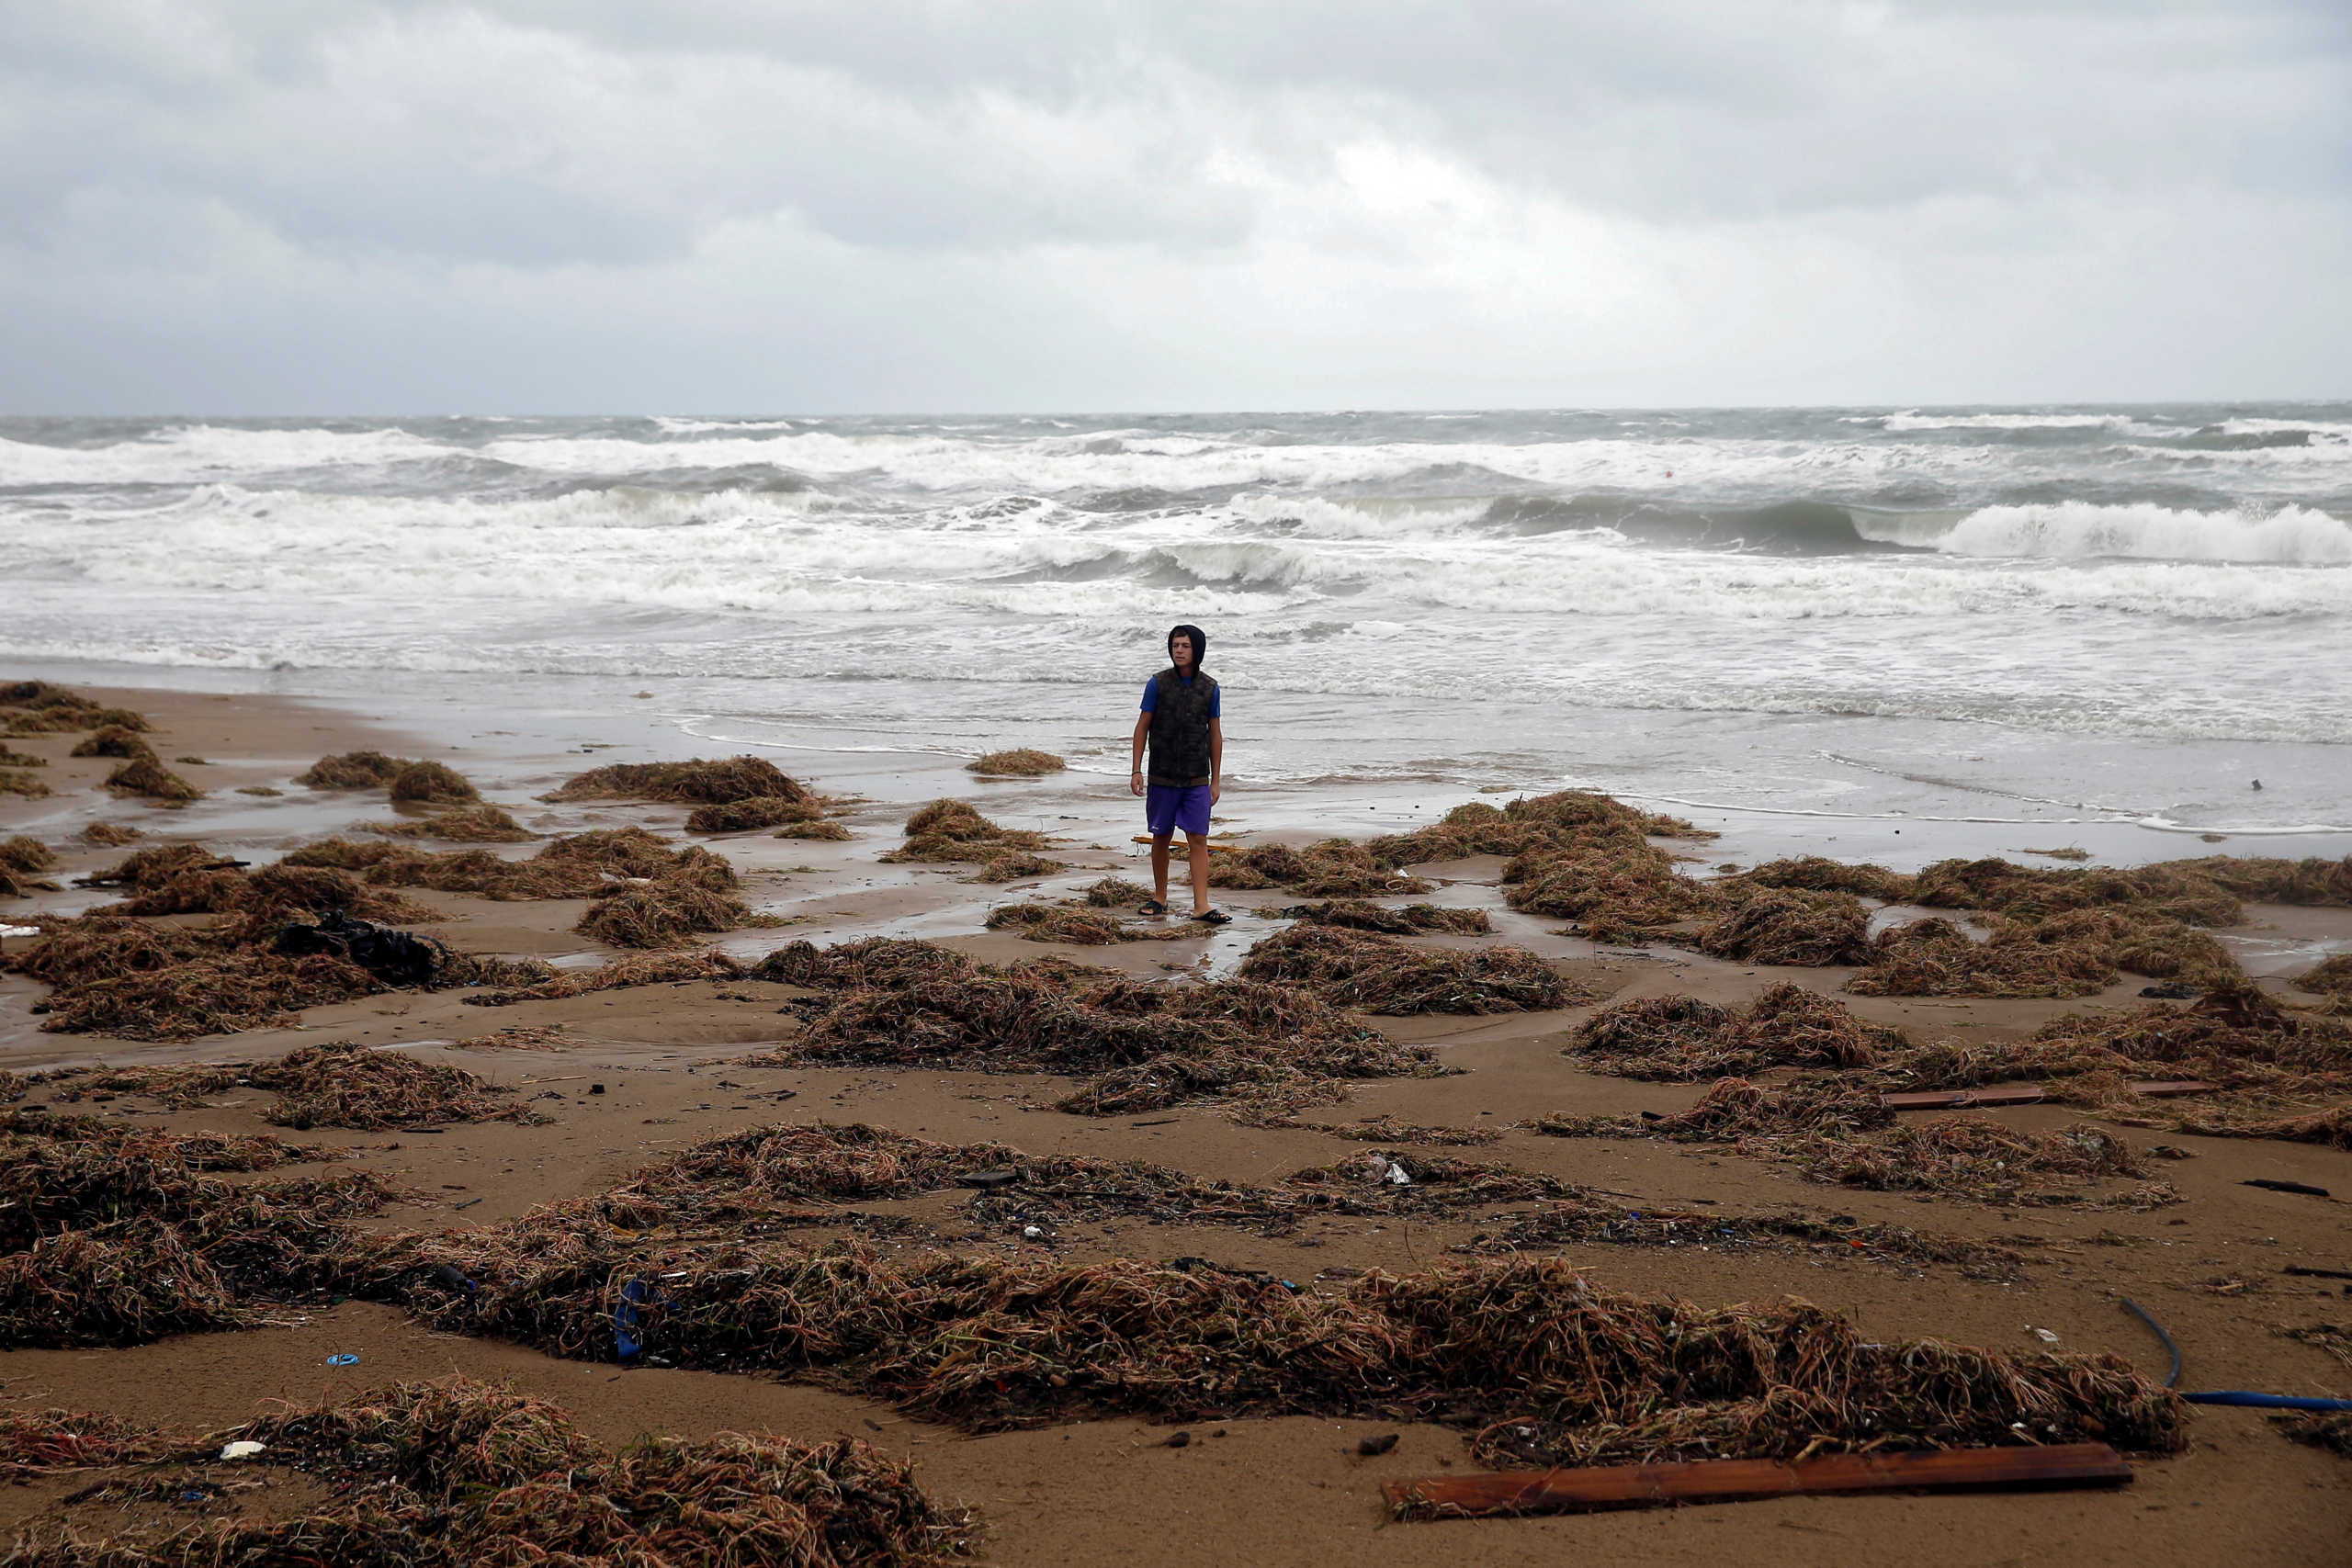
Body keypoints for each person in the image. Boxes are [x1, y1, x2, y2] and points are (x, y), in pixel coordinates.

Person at [1129, 623, 1229, 923]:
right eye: (1175, 646)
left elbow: (1215, 735)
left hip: (1197, 776)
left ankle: (1202, 905)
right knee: (1161, 836)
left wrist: (1216, 779)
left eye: (1185, 646)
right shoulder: (1157, 684)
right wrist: (1136, 769)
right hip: (1162, 773)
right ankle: (1160, 897)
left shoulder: (1210, 688)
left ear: (1197, 649)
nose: (1179, 651)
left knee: (1198, 838)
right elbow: (1142, 727)